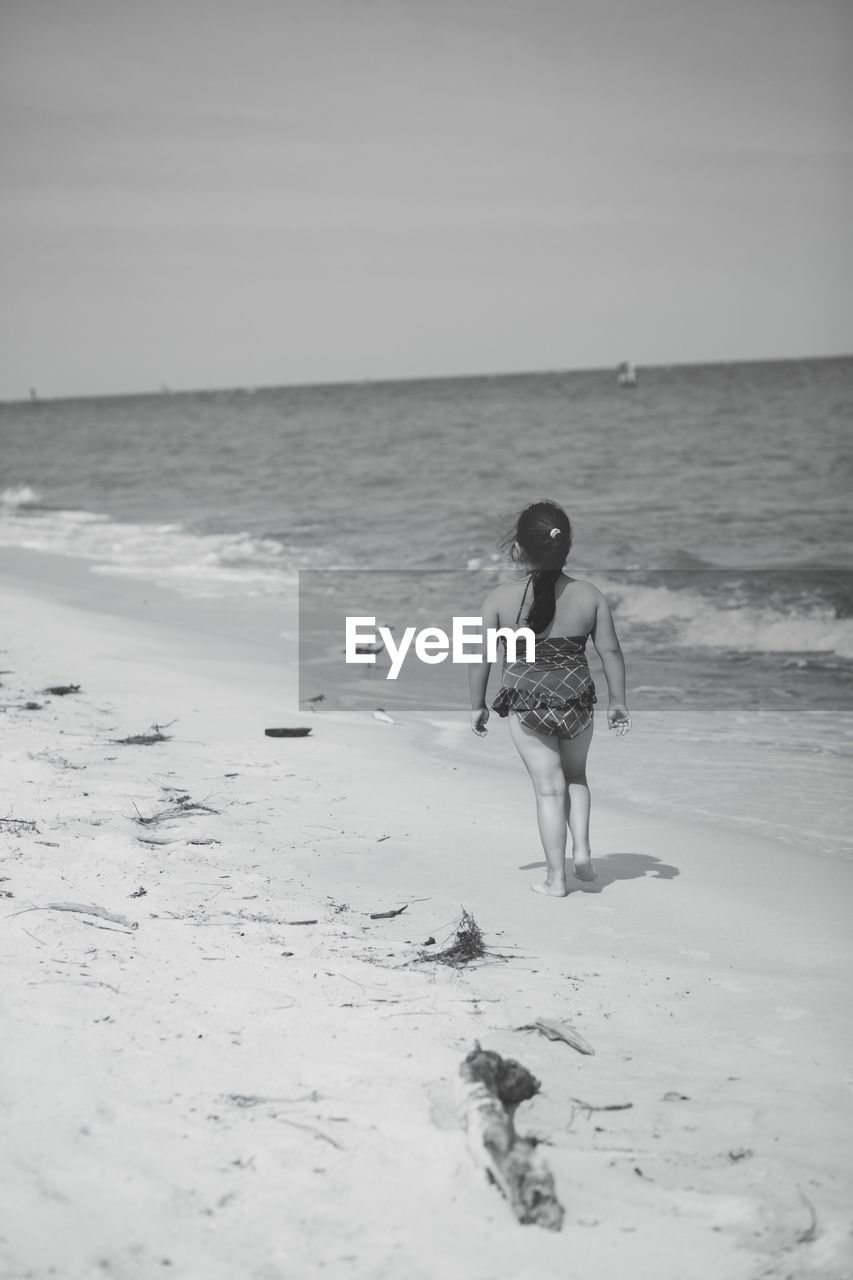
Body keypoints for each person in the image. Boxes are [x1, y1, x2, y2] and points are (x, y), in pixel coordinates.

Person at [468, 500, 631, 896]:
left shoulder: (498, 600)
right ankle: (583, 851)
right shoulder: (589, 595)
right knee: (576, 777)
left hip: (527, 704)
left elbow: (482, 657)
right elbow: (610, 651)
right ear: (565, 547)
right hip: (577, 700)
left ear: (518, 550)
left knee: (548, 789)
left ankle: (556, 879)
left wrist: (477, 705)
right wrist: (618, 701)